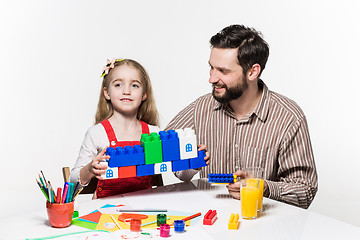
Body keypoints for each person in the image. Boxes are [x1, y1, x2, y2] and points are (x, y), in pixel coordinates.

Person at [165, 25, 318, 209]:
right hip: (209, 223)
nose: (212, 79)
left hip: (264, 226)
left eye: (223, 71)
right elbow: (165, 156)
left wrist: (263, 187)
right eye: (211, 68)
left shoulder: (289, 118)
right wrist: (190, 164)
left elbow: (305, 190)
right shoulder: (201, 108)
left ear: (252, 72)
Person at [70, 58, 161, 199]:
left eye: (134, 85)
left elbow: (182, 174)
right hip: (105, 209)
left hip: (144, 208)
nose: (126, 91)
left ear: (144, 94)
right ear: (107, 93)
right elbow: (73, 181)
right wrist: (89, 169)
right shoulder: (96, 133)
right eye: (118, 84)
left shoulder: (154, 133)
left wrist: (195, 160)